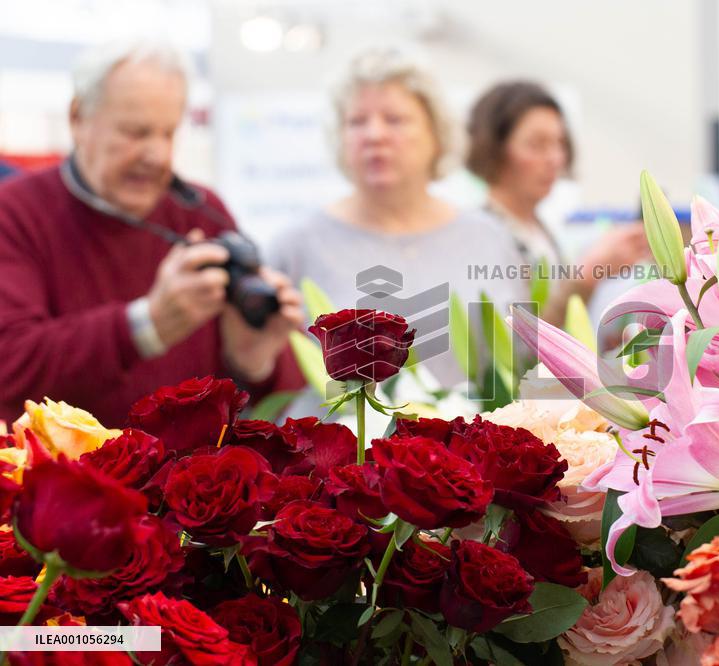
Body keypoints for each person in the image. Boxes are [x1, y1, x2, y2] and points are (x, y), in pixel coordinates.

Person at [0, 41, 303, 425]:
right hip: (67, 477)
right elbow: (10, 368)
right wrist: (146, 326)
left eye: (168, 133)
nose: (157, 155)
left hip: (195, 480)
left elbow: (283, 396)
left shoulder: (199, 211)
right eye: (135, 132)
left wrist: (254, 360)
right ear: (78, 119)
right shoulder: (15, 213)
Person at [268, 47, 526, 394]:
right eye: (357, 121)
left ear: (436, 134)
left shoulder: (490, 238)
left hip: (468, 443)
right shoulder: (296, 245)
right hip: (345, 444)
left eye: (395, 119)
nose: (374, 135)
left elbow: (523, 358)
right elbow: (267, 368)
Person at [466, 80, 649, 324]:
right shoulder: (479, 236)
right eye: (537, 144)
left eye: (559, 143)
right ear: (493, 149)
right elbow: (513, 345)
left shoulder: (538, 229)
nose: (555, 158)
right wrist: (587, 275)